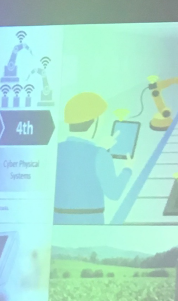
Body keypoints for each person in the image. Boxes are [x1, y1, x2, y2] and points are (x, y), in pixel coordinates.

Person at [52, 91, 132, 224]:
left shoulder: (55, 150)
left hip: (58, 221)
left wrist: (100, 148)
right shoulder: (100, 155)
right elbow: (114, 193)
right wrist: (128, 169)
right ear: (96, 121)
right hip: (91, 223)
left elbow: (79, 162)